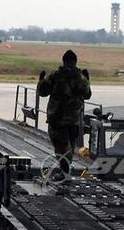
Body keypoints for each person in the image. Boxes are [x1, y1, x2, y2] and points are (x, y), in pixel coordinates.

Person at [37, 49, 92, 178]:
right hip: (74, 119)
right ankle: (66, 170)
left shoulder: (55, 76)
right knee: (70, 146)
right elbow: (87, 95)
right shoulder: (81, 78)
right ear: (75, 62)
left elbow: (42, 92)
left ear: (64, 61)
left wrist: (41, 80)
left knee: (61, 147)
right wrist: (88, 80)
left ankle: (65, 173)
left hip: (57, 118)